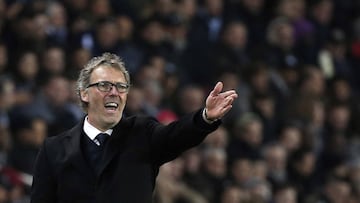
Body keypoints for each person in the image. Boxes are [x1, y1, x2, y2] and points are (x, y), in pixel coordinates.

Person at [30, 52, 238, 203]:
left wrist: (204, 118)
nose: (114, 92)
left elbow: (174, 135)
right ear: (84, 93)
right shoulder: (53, 149)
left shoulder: (142, 133)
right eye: (104, 85)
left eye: (121, 87)